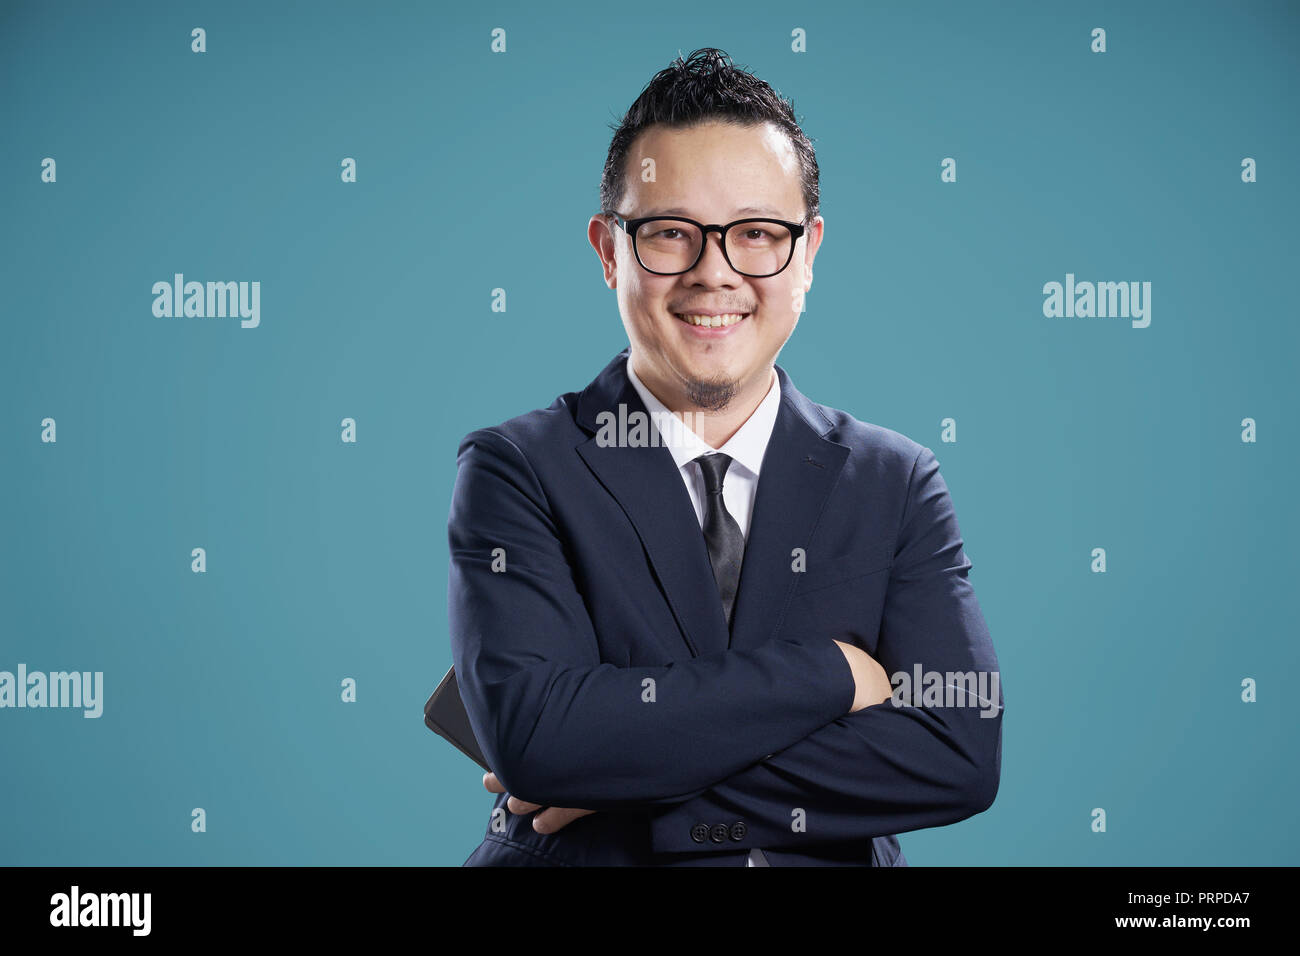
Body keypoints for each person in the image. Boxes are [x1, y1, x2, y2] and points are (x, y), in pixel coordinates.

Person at [448, 47, 1002, 866]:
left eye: (756, 235)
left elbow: (958, 753)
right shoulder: (518, 468)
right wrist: (833, 675)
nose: (715, 274)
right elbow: (538, 739)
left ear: (807, 252)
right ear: (610, 251)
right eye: (671, 233)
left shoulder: (895, 480)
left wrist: (624, 780)